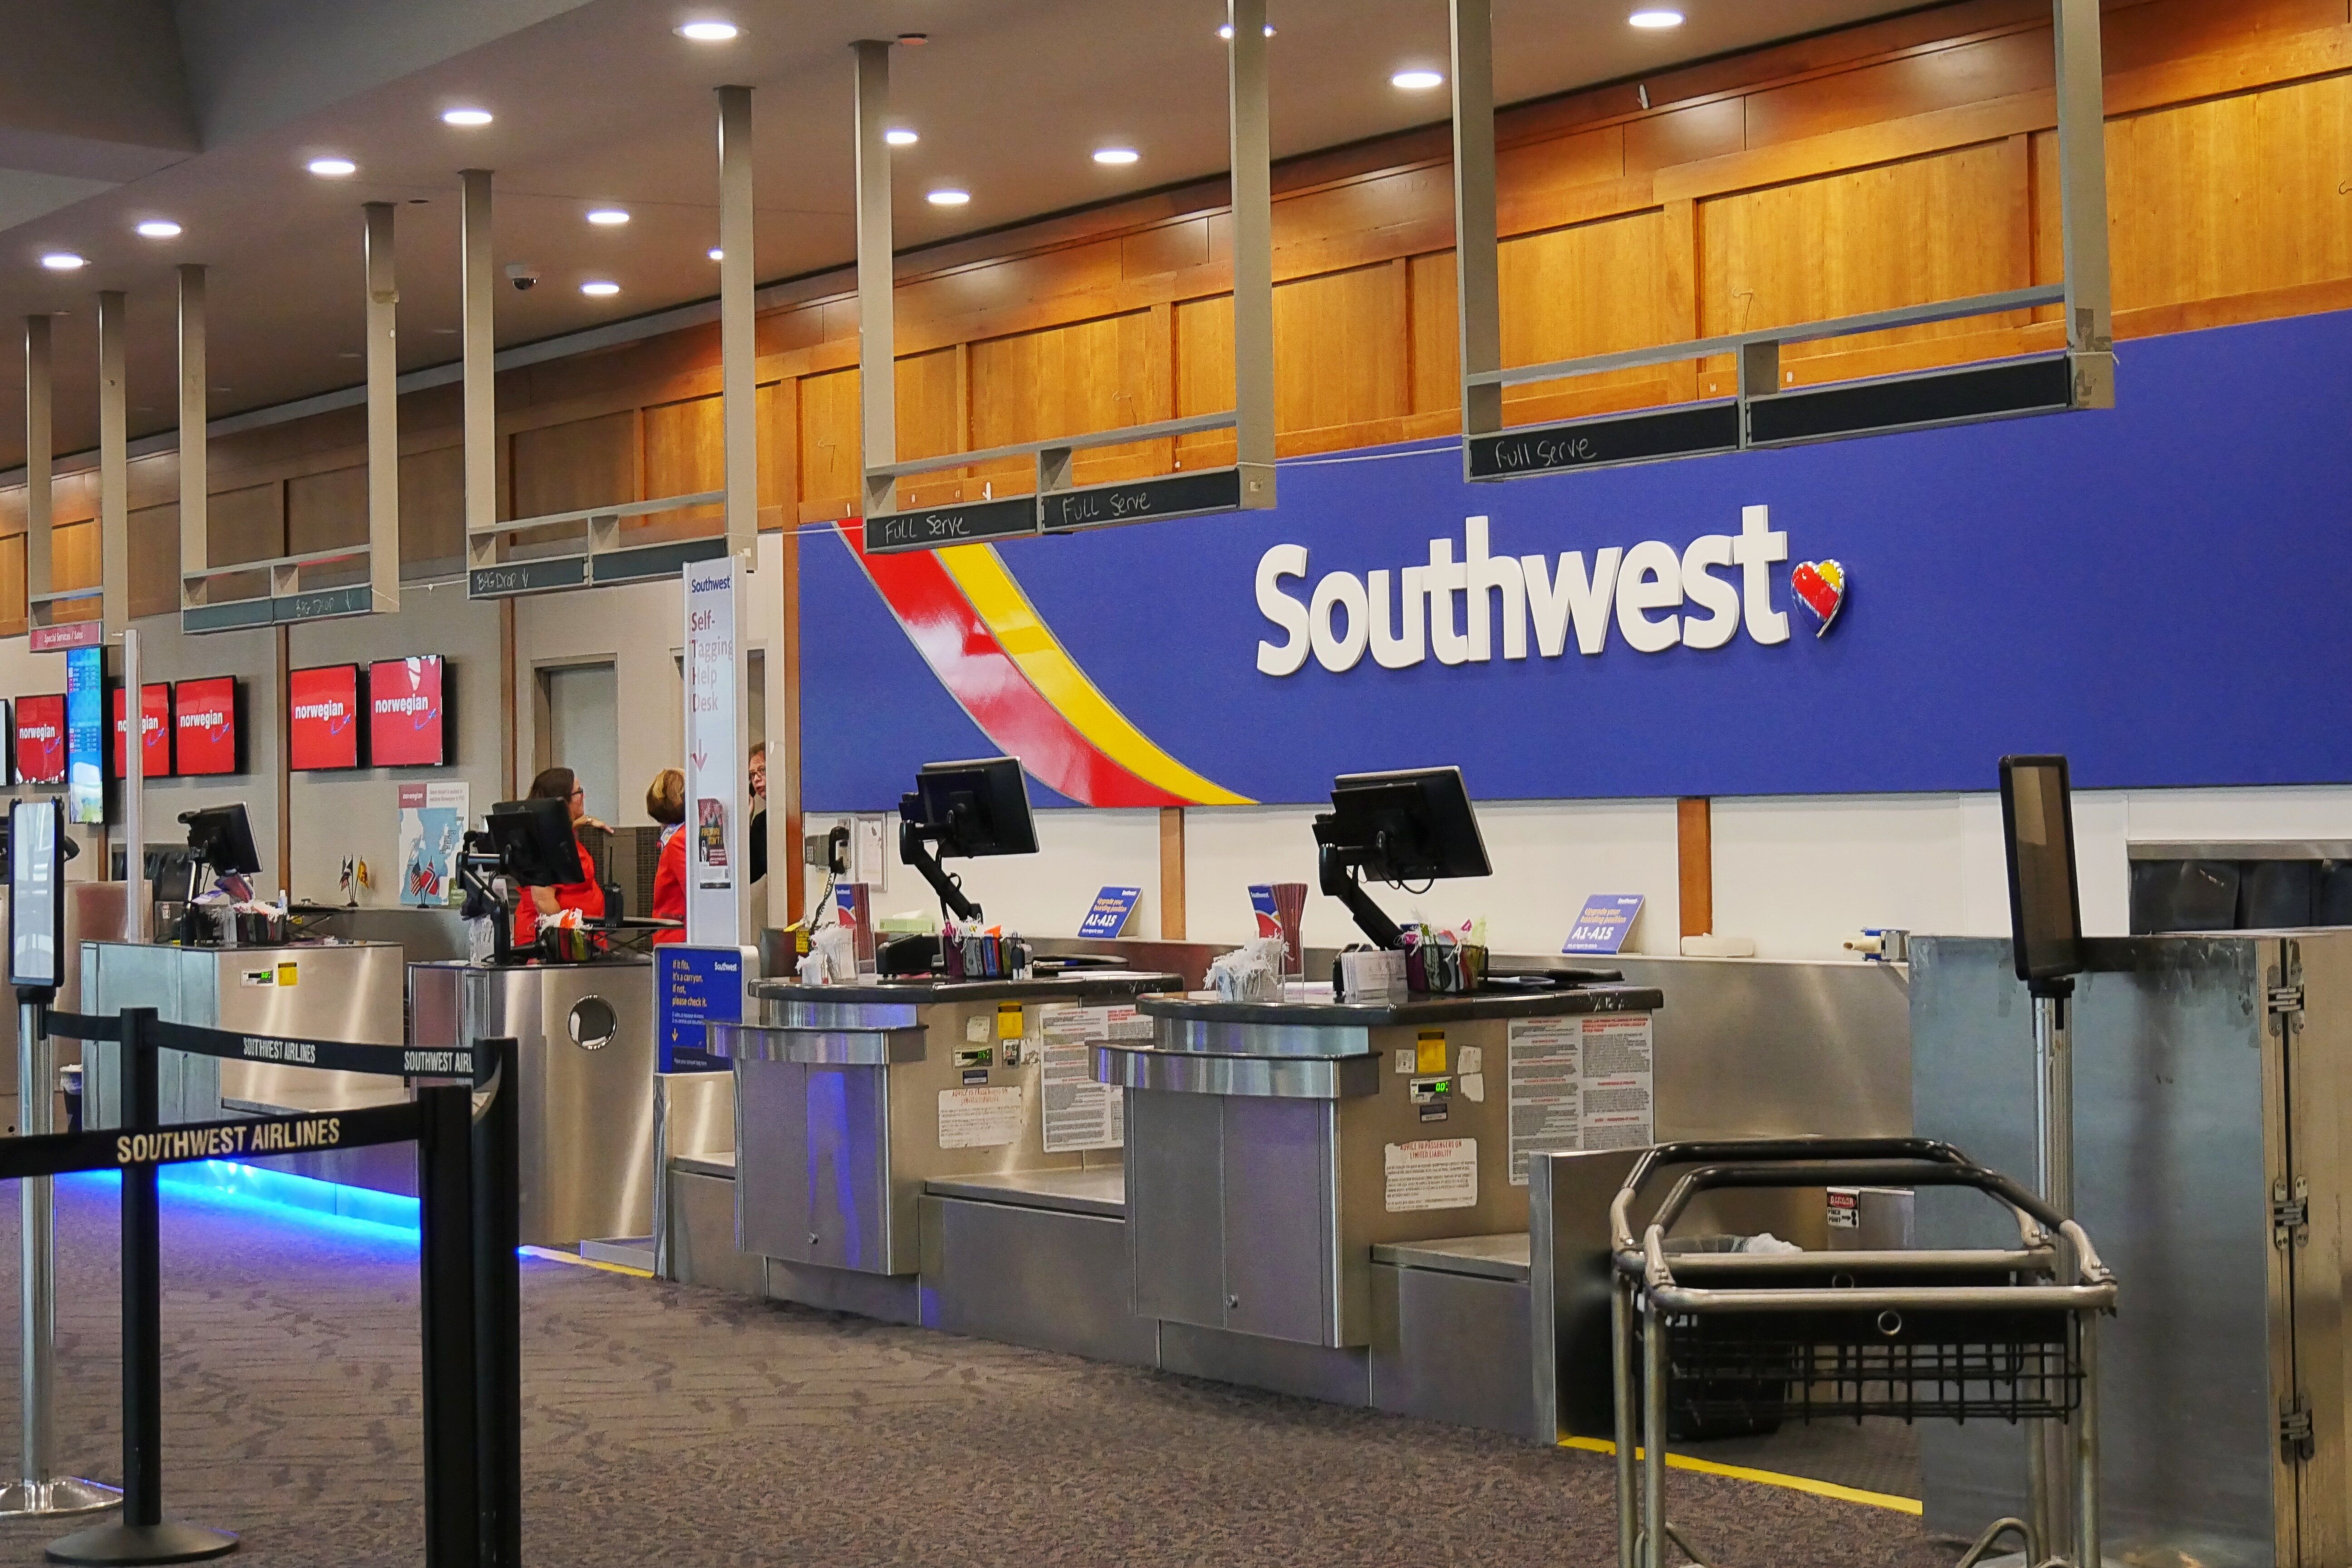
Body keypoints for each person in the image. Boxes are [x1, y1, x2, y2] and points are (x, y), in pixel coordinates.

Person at [512, 765, 606, 949]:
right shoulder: (546, 844)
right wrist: (573, 946)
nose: (583, 797)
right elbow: (543, 901)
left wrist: (584, 820)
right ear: (562, 800)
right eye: (579, 792)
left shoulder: (558, 835)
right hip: (554, 949)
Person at [647, 767, 687, 944]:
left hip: (675, 936)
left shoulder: (676, 838)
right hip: (678, 938)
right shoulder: (680, 839)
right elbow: (695, 894)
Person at [747, 742, 768, 887]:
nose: (756, 779)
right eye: (753, 774)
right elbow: (749, 875)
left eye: (763, 770)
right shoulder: (761, 823)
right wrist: (746, 819)